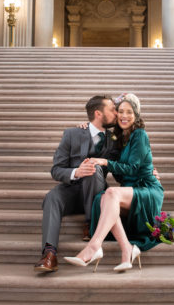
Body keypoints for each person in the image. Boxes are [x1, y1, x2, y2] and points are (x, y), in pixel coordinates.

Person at [64, 93, 164, 272]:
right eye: (121, 112)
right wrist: (85, 128)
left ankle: (94, 246)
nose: (124, 116)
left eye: (129, 112)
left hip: (147, 189)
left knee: (110, 194)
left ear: (136, 115)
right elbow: (119, 172)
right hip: (131, 191)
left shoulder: (139, 135)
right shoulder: (120, 139)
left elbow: (132, 168)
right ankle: (127, 249)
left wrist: (105, 162)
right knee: (101, 199)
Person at [33, 95, 120, 273]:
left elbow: (122, 170)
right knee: (52, 197)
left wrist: (147, 174)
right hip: (72, 191)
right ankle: (49, 254)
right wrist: (76, 172)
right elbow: (56, 170)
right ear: (98, 113)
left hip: (97, 196)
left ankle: (91, 222)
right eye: (112, 109)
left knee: (93, 166)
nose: (116, 113)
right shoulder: (72, 134)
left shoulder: (116, 140)